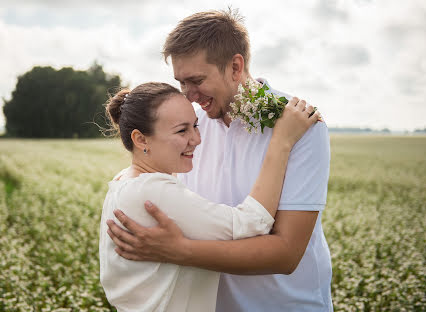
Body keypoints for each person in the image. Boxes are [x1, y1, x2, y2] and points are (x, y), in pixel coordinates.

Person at [107, 9, 333, 311]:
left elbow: (286, 253)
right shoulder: (187, 129)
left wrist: (179, 251)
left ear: (235, 67)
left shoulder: (299, 127)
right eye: (181, 83)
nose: (187, 95)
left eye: (196, 80)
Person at [100, 82, 319, 311]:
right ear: (141, 139)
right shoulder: (152, 190)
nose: (197, 139)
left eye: (195, 126)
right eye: (181, 130)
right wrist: (282, 141)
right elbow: (252, 224)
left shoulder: (123, 181)